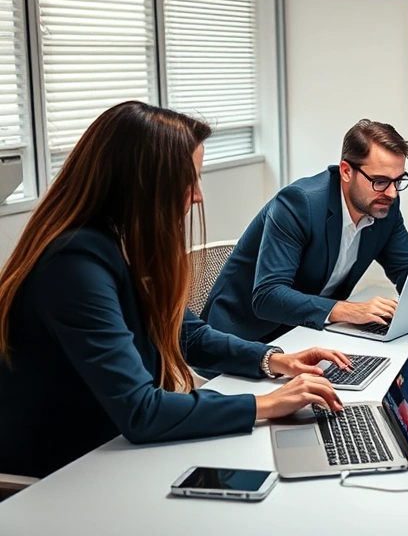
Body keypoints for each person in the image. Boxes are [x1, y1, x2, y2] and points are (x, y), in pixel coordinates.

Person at [0, 102, 347, 479]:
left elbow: (188, 333)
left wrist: (274, 360)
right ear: (144, 183)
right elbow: (141, 411)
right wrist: (265, 404)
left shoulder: (118, 241)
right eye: (189, 180)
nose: (197, 196)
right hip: (64, 474)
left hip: (111, 450)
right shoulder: (74, 263)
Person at [203, 119, 408, 343]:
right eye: (380, 181)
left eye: (398, 181)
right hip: (243, 337)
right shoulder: (299, 204)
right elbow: (268, 296)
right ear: (346, 171)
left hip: (309, 331)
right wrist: (348, 310)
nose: (392, 193)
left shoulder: (383, 205)